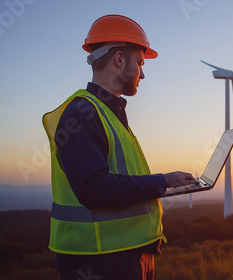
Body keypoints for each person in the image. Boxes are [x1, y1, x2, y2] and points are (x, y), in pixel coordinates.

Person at [42, 14, 198, 280]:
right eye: (139, 62)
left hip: (125, 256)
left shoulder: (107, 113)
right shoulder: (83, 113)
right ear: (118, 60)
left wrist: (165, 183)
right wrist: (162, 181)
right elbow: (94, 189)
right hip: (101, 263)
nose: (143, 73)